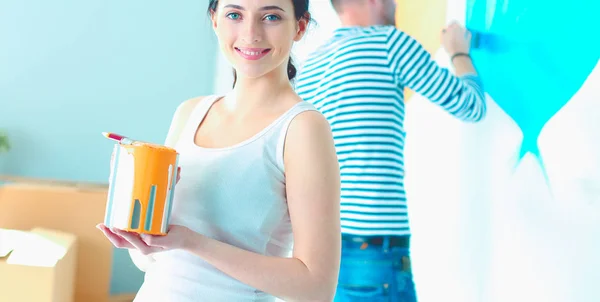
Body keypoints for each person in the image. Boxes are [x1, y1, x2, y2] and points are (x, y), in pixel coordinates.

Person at [97, 1, 342, 301]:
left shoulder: (302, 128)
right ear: (215, 21)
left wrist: (193, 242)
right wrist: (139, 235)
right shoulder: (189, 113)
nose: (250, 33)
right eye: (235, 15)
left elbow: (316, 288)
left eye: (271, 17)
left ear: (300, 27)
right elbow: (157, 263)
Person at [294, 0, 487, 301]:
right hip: (375, 255)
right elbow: (471, 106)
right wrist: (459, 51)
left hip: (323, 257)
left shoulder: (311, 67)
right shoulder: (388, 43)